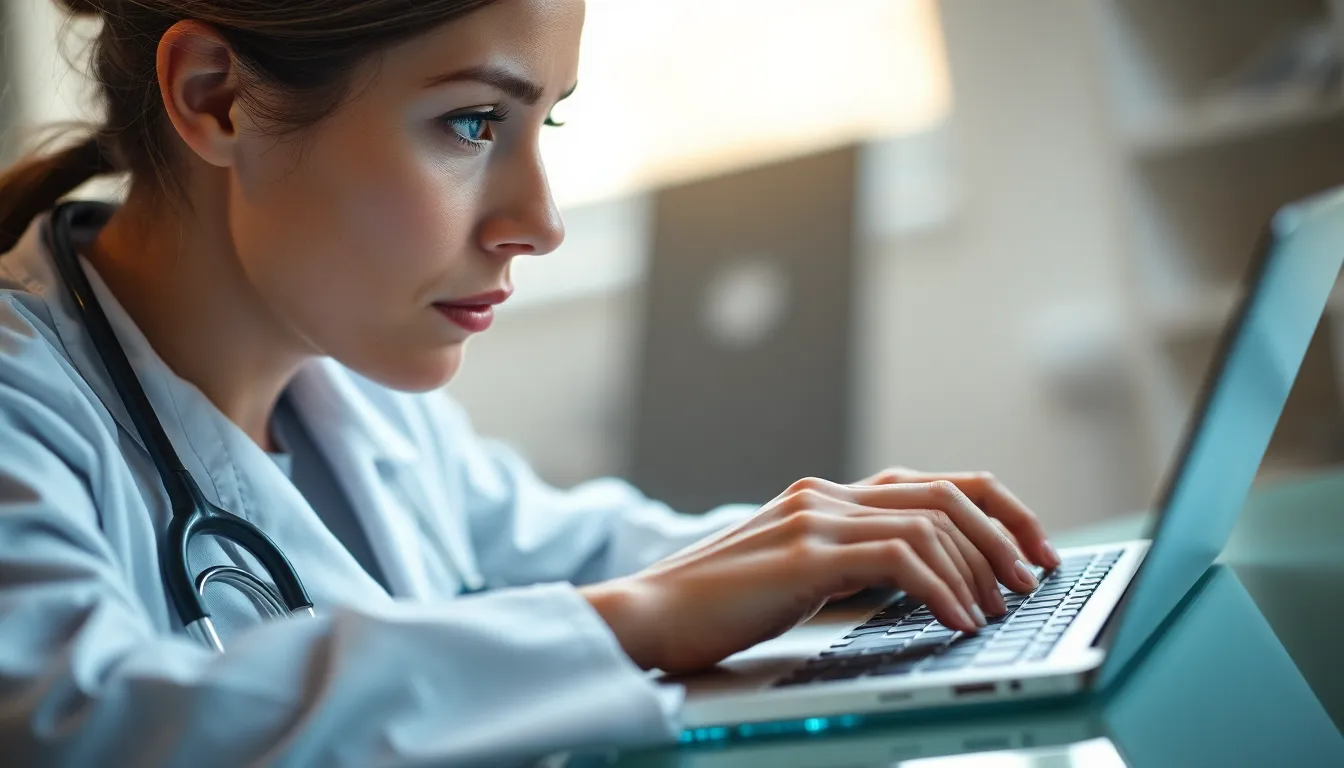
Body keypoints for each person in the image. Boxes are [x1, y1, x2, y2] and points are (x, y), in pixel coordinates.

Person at [0, 0, 1061, 764]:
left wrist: (838, 548)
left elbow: (566, 549)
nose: (541, 223)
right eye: (472, 122)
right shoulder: (21, 400)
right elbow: (74, 728)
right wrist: (625, 620)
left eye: (542, 120)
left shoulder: (346, 386)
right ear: (215, 98)